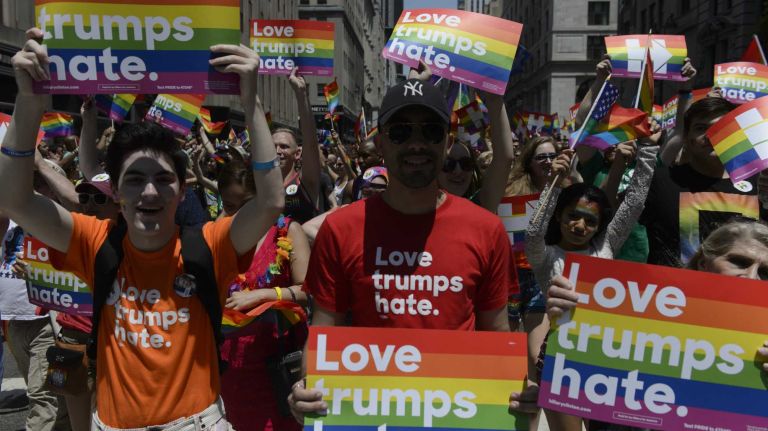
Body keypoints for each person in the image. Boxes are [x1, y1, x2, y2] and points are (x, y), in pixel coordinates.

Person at [0, 28, 283, 429]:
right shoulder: (93, 241)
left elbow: (270, 201)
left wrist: (251, 102)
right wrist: (28, 102)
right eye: (134, 180)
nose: (150, 191)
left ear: (183, 190)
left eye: (163, 179)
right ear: (115, 191)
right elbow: (14, 200)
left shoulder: (210, 243)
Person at [288, 78, 533, 421]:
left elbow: (497, 331)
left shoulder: (486, 230)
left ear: (447, 142)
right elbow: (324, 330)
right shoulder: (341, 229)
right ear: (382, 142)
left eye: (431, 131)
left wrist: (516, 394)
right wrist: (307, 389)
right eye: (401, 131)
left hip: (456, 416)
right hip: (370, 416)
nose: (417, 143)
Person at [545, 217, 768, 431]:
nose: (751, 277)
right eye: (739, 262)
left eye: (765, 272)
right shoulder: (634, 317)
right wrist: (568, 322)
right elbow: (567, 394)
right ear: (703, 263)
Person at [525, 132, 659, 430]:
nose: (581, 226)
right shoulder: (545, 256)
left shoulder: (606, 246)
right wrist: (554, 184)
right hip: (559, 358)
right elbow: (533, 233)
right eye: (574, 216)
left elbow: (634, 203)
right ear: (559, 216)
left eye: (591, 221)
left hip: (607, 355)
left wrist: (648, 150)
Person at [215, 160, 310, 431]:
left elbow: (308, 290)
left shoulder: (287, 231)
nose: (237, 215)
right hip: (231, 366)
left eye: (246, 205)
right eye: (230, 206)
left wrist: (263, 295)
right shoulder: (217, 235)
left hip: (277, 364)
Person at [639, 96, 767, 268]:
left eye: (721, 128)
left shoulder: (761, 185)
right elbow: (610, 224)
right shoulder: (659, 180)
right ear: (686, 137)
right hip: (671, 293)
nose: (711, 136)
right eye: (701, 128)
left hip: (739, 293)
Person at [277, 68, 322, 223]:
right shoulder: (260, 186)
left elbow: (310, 143)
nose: (277, 151)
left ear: (297, 153)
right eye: (273, 146)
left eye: (284, 146)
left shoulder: (305, 182)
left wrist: (301, 95)